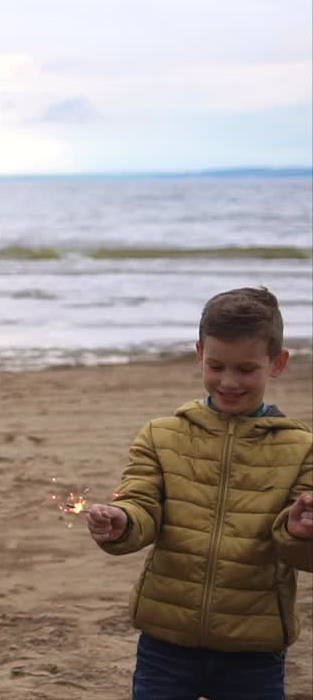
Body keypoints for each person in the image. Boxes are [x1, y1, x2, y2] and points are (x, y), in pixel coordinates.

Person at [86, 287, 313, 700]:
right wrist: (122, 522)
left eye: (246, 369)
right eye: (217, 366)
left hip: (255, 647)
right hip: (165, 641)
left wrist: (300, 531)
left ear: (277, 363)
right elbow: (140, 504)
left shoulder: (302, 450)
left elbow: (305, 556)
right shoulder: (160, 435)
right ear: (199, 354)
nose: (229, 381)